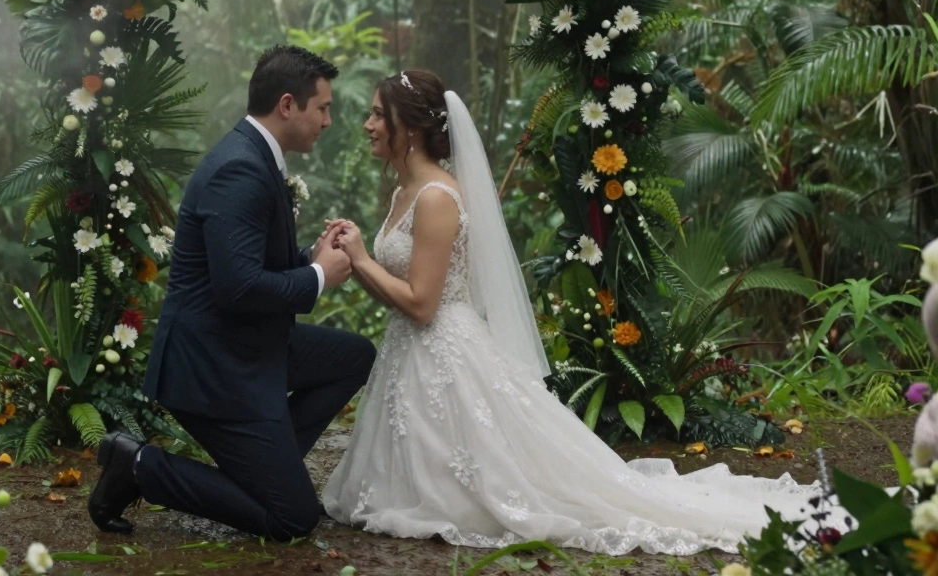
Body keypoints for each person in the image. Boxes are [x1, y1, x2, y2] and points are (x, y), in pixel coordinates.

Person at [319, 69, 821, 555]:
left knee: (501, 483)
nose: (367, 125)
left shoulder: (435, 199)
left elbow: (424, 305)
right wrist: (351, 259)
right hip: (409, 354)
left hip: (443, 348)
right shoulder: (403, 192)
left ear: (408, 126)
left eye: (377, 115)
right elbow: (400, 294)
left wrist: (362, 257)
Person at [88, 45, 377, 540]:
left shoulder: (259, 157)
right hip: (214, 365)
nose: (328, 121)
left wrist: (311, 255)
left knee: (353, 356)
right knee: (292, 519)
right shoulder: (240, 169)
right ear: (288, 105)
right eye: (323, 108)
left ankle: (268, 462)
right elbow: (238, 288)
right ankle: (136, 465)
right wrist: (319, 277)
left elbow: (246, 263)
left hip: (251, 344)